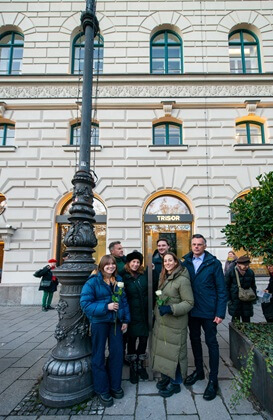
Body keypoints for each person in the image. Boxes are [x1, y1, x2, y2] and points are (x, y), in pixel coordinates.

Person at [80, 254, 130, 408]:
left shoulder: (118, 280)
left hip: (115, 322)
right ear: (101, 266)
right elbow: (85, 304)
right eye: (107, 264)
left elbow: (123, 301)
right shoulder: (93, 282)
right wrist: (105, 307)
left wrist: (125, 320)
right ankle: (102, 389)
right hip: (99, 322)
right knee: (98, 355)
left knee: (117, 353)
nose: (111, 266)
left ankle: (115, 385)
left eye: (113, 264)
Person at [182, 234, 227, 401]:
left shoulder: (213, 263)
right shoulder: (185, 262)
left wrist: (220, 313)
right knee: (194, 340)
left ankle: (213, 379)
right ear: (191, 245)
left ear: (204, 246)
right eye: (194, 244)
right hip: (192, 311)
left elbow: (222, 290)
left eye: (199, 244)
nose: (196, 247)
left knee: (212, 343)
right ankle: (199, 371)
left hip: (209, 312)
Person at [152, 252, 194, 398]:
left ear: (176, 262)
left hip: (176, 323)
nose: (168, 263)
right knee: (165, 352)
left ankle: (175, 383)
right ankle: (166, 377)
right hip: (163, 322)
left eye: (170, 260)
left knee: (175, 353)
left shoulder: (182, 280)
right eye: (165, 261)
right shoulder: (164, 276)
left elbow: (189, 303)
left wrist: (171, 308)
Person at [121, 251, 149, 383]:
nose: (136, 264)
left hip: (143, 314)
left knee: (143, 340)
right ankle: (133, 365)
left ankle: (140, 365)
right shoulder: (124, 276)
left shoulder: (144, 275)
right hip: (131, 314)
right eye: (133, 262)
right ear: (129, 263)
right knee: (131, 341)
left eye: (138, 262)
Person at [225, 255, 257, 323]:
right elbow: (226, 286)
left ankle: (246, 333)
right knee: (235, 320)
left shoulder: (250, 272)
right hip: (235, 299)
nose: (246, 266)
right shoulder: (231, 272)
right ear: (238, 264)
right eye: (244, 265)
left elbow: (253, 285)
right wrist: (229, 300)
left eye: (247, 265)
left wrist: (254, 298)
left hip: (247, 299)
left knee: (247, 320)